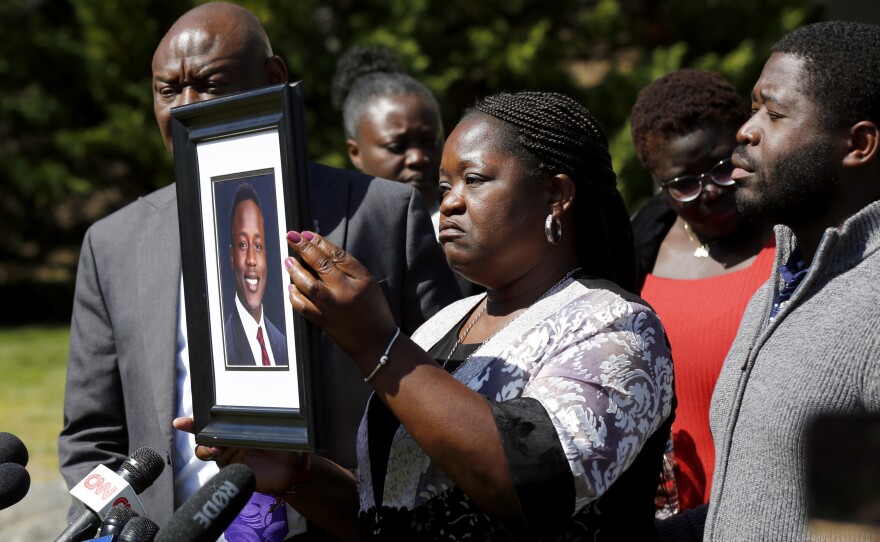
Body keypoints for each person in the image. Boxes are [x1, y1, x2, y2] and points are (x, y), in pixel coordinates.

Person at [191, 91, 676, 540]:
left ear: (556, 195)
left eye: (475, 179)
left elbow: (525, 482)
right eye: (444, 185)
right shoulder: (444, 324)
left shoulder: (616, 324)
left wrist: (376, 344)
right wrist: (298, 475)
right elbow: (389, 515)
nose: (449, 201)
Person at [57, 1, 461, 535]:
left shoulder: (382, 214)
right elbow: (89, 440)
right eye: (167, 90)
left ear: (273, 78)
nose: (184, 108)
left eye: (209, 83)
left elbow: (449, 396)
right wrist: (120, 524)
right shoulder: (112, 244)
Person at [655, 20, 880, 541]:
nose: (746, 130)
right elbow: (785, 505)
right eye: (754, 107)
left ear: (860, 144)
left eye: (774, 113)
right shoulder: (781, 286)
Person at [628, 69, 775, 513]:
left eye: (721, 166)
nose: (710, 191)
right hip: (676, 516)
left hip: (775, 504)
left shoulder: (798, 238)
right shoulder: (635, 254)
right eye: (685, 183)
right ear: (657, 179)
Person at [330, 45, 444, 233]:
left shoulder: (475, 238)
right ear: (355, 153)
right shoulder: (337, 234)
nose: (418, 158)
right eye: (397, 146)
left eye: (430, 143)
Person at [224, 183, 288, 367]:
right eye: (243, 245)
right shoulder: (222, 348)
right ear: (232, 257)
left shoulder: (284, 345)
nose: (252, 259)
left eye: (258, 246)